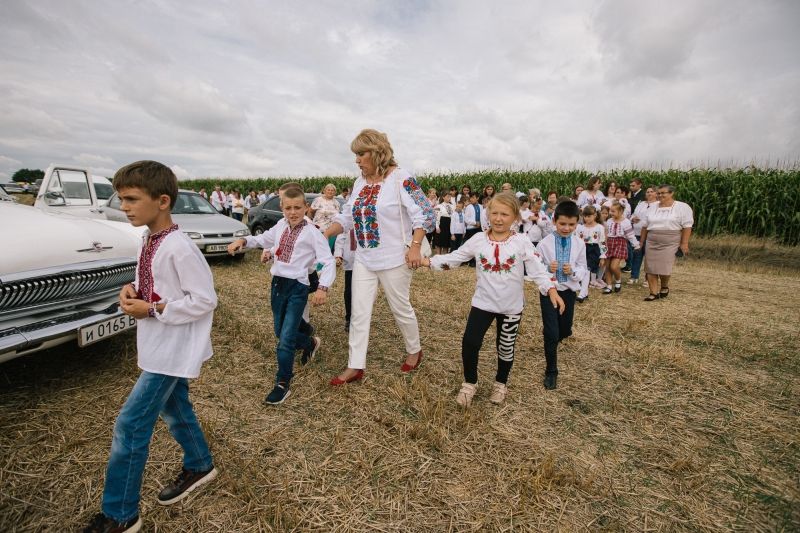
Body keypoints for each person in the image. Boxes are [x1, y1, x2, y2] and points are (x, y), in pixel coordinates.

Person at [82, 161, 218, 533]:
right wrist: (134, 290)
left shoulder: (180, 247)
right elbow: (157, 282)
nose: (123, 206)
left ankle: (121, 515)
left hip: (172, 351)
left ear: (161, 201)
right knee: (176, 408)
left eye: (130, 199)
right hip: (159, 344)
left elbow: (205, 300)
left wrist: (153, 309)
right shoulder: (149, 239)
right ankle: (200, 463)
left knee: (130, 424)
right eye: (120, 198)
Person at [421, 193, 562, 406]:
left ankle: (500, 384)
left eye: (504, 214)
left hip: (511, 307)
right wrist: (427, 262)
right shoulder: (478, 240)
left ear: (515, 217)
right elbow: (456, 258)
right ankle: (470, 383)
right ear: (488, 214)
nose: (498, 218)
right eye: (494, 213)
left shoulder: (522, 242)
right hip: (483, 303)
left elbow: (536, 269)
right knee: (470, 342)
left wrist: (551, 288)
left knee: (505, 346)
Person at [323, 129, 435, 385]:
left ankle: (414, 350)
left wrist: (415, 246)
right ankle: (355, 365)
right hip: (364, 257)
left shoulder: (401, 178)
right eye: (356, 155)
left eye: (361, 154)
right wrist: (324, 234)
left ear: (376, 152)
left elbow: (425, 213)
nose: (357, 160)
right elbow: (348, 216)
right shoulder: (359, 182)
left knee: (400, 308)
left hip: (396, 258)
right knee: (359, 312)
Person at [227, 186, 335, 404]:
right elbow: (263, 240)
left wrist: (323, 288)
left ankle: (282, 383)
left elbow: (328, 260)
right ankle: (309, 342)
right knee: (279, 330)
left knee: (285, 340)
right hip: (278, 285)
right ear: (282, 208)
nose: (293, 212)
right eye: (288, 208)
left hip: (298, 287)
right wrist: (244, 241)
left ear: (306, 207)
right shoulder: (279, 225)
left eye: (297, 207)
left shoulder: (313, 233)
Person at [535, 200, 587, 390]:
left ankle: (556, 335)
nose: (566, 228)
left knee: (564, 329)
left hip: (569, 292)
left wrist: (573, 271)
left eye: (571, 224)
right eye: (562, 223)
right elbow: (537, 268)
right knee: (551, 332)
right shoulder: (544, 244)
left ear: (577, 223)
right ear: (554, 221)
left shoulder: (579, 243)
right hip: (549, 291)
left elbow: (583, 268)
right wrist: (549, 269)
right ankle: (551, 371)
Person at [639, 185, 693, 301]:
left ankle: (664, 286)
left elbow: (687, 226)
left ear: (671, 193)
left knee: (664, 267)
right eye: (658, 193)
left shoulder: (682, 207)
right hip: (652, 240)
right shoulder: (652, 208)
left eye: (663, 193)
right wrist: (642, 242)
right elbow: (645, 226)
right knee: (650, 267)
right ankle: (653, 293)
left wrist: (684, 243)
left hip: (671, 241)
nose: (660, 195)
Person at [602, 201, 640, 294]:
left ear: (621, 211)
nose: (611, 213)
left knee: (614, 266)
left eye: (613, 211)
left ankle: (618, 280)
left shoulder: (626, 222)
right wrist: (603, 244)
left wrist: (636, 244)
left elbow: (630, 235)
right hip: (609, 243)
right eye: (611, 211)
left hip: (619, 243)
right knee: (607, 266)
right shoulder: (609, 221)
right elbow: (606, 233)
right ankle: (609, 285)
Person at [628, 186, 658, 285]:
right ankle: (634, 276)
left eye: (652, 191)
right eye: (647, 192)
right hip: (637, 232)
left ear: (656, 194)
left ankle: (647, 279)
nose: (649, 193)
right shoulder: (641, 204)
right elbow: (633, 214)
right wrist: (633, 219)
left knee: (649, 257)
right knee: (637, 255)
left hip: (650, 233)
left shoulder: (658, 205)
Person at [576, 205, 605, 302]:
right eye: (585, 216)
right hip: (582, 249)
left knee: (587, 270)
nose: (587, 218)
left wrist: (602, 256)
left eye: (589, 216)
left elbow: (602, 241)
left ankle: (582, 293)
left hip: (593, 249)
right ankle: (585, 292)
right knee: (583, 270)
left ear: (595, 215)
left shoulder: (599, 227)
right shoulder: (580, 227)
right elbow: (576, 240)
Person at [334, 228, 356, 332]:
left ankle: (360, 318)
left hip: (367, 262)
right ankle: (349, 318)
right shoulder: (347, 218)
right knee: (349, 292)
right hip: (351, 262)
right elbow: (340, 238)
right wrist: (338, 254)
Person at [310, 183, 341, 249]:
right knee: (318, 249)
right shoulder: (318, 200)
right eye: (328, 190)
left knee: (328, 250)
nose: (330, 191)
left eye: (332, 190)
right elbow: (311, 212)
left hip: (332, 231)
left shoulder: (336, 203)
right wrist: (310, 222)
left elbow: (338, 216)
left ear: (335, 192)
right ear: (324, 191)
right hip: (319, 229)